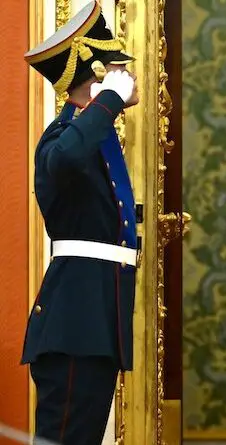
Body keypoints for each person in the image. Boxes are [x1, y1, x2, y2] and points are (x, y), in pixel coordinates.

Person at [20, 1, 140, 443]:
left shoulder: (97, 137)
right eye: (119, 69)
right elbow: (66, 157)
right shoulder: (63, 136)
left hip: (97, 318)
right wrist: (108, 99)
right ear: (99, 75)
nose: (131, 75)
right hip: (76, 321)